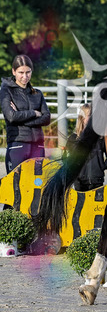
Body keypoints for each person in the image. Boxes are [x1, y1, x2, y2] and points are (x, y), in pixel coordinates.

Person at [0, 55, 50, 208]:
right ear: (14, 72)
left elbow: (46, 118)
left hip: (37, 146)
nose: (25, 76)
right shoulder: (6, 91)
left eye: (28, 72)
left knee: (36, 187)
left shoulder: (37, 94)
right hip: (18, 145)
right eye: (21, 72)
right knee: (15, 188)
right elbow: (11, 116)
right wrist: (34, 113)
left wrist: (22, 117)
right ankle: (9, 221)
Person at [66, 103, 107, 192]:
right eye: (90, 116)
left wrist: (102, 166)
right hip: (79, 182)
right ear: (82, 118)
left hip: (97, 181)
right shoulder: (73, 138)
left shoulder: (101, 138)